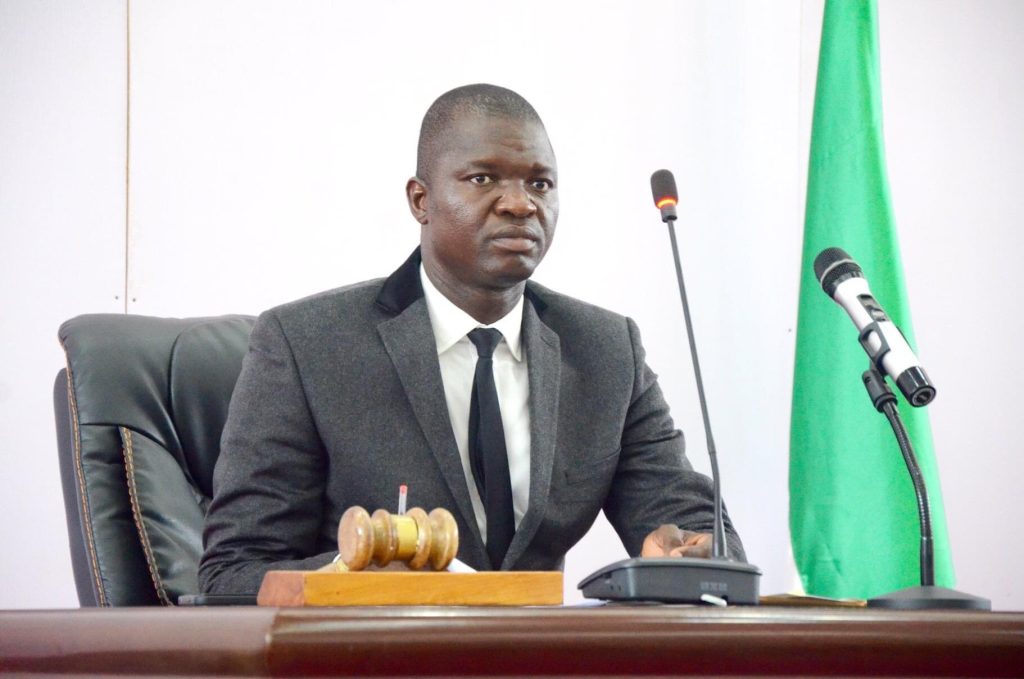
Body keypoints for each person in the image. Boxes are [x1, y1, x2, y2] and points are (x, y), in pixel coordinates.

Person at [199, 84, 744, 595]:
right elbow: (232, 573)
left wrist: (690, 551)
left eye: (540, 183)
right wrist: (359, 573)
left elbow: (694, 527)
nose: (520, 204)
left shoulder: (605, 349)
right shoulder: (307, 346)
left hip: (540, 653)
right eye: (484, 179)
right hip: (372, 652)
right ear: (421, 201)